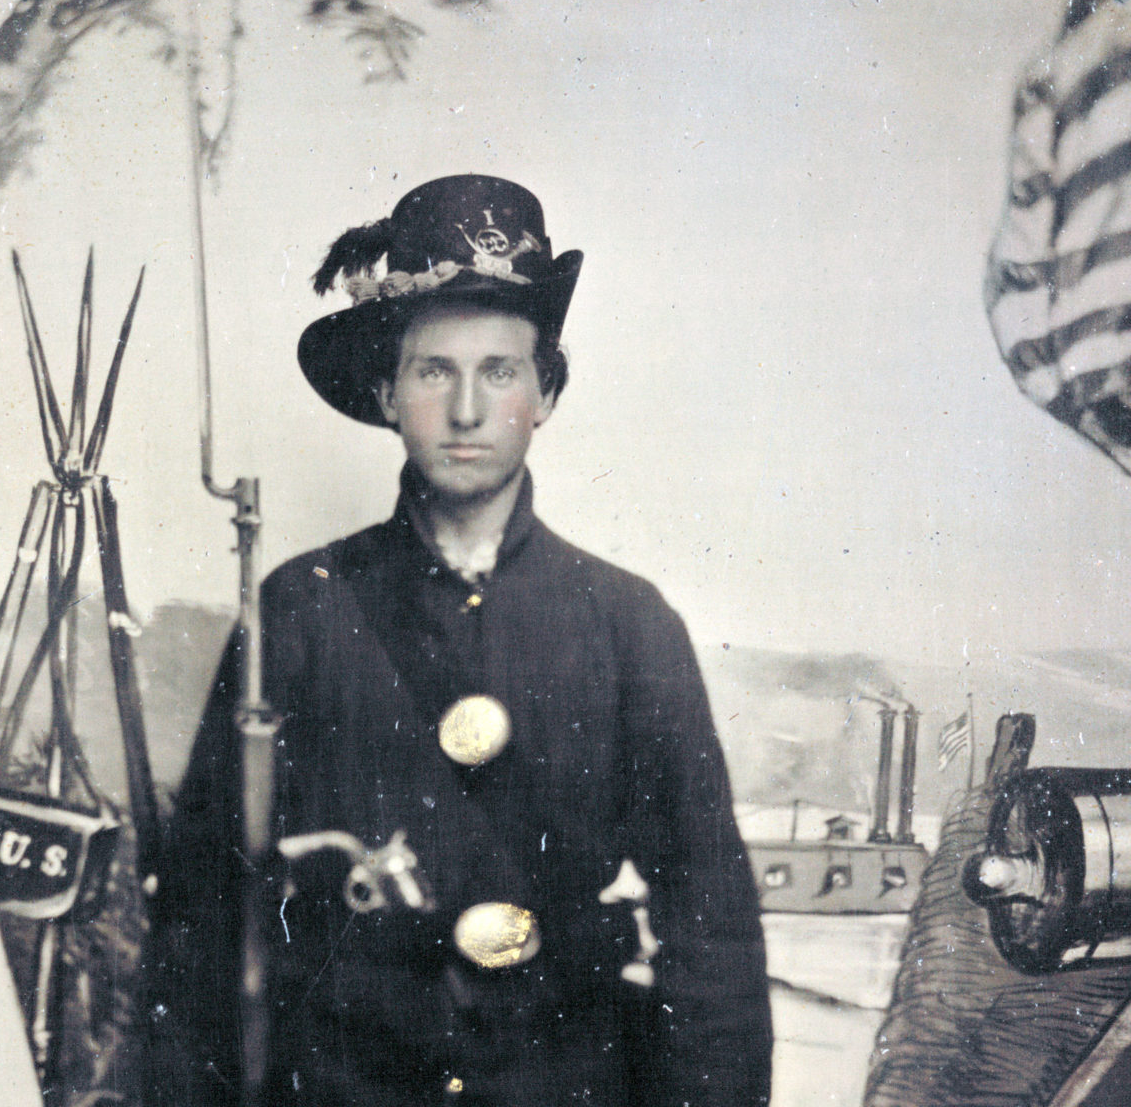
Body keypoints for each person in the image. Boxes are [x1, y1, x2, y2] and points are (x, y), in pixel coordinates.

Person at [148, 174, 772, 1107]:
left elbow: (711, 926)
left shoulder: (628, 626)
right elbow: (202, 912)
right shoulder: (302, 612)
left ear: (545, 394)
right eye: (434, 370)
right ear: (386, 391)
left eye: (501, 370)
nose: (468, 410)